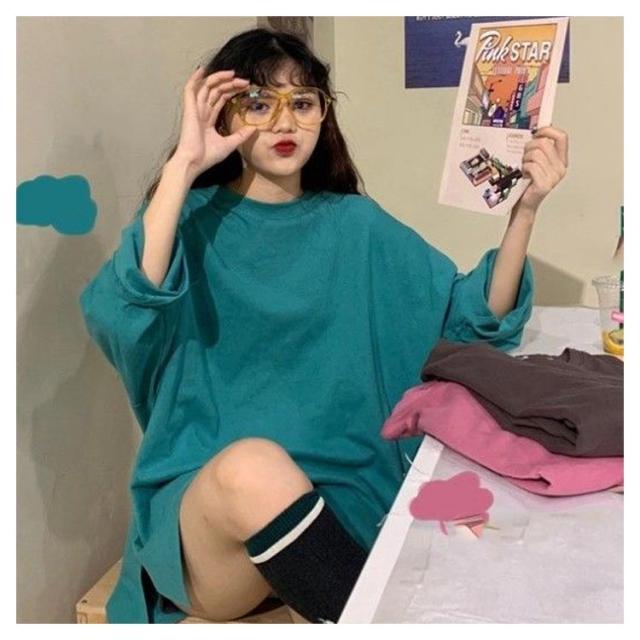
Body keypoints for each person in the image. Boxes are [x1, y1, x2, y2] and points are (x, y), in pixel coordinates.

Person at [78, 27, 569, 624]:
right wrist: (183, 165)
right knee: (252, 470)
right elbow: (123, 314)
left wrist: (525, 210)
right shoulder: (188, 224)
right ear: (224, 114)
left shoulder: (356, 226)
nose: (284, 121)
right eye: (259, 103)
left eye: (303, 103)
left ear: (323, 114)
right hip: (216, 536)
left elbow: (469, 320)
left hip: (344, 511)